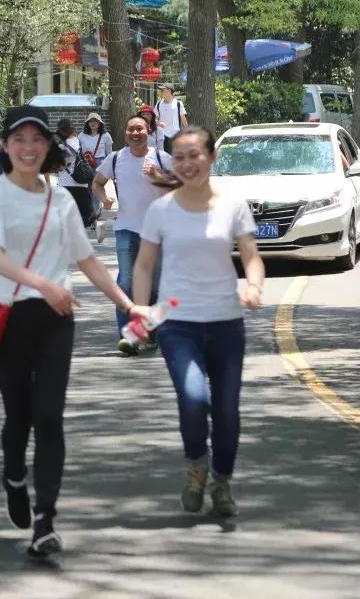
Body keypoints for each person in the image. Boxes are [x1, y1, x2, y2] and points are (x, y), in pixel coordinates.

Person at [0, 105, 147, 558]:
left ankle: (45, 521)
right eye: (19, 140)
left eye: (37, 140)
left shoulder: (61, 199)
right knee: (19, 414)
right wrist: (45, 283)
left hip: (54, 320)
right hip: (6, 315)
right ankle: (14, 477)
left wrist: (128, 306)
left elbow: (87, 259)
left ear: (48, 146)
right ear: (7, 147)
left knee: (49, 418)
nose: (28, 148)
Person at [132, 126, 264, 518]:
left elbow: (252, 256)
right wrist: (141, 313)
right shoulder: (161, 210)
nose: (187, 163)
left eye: (195, 155)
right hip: (178, 323)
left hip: (225, 321)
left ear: (211, 157)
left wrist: (253, 286)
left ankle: (221, 480)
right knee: (193, 400)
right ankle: (196, 466)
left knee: (226, 411)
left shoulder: (232, 205)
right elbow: (143, 265)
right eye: (180, 157)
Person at [91, 114, 174, 356]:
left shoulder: (161, 157)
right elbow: (97, 182)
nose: (135, 133)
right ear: (125, 133)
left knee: (155, 287)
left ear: (149, 131)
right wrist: (104, 198)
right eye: (130, 129)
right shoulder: (116, 159)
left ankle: (150, 335)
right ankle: (129, 336)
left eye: (139, 129)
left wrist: (158, 177)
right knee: (126, 283)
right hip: (126, 229)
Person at [56, 118, 94, 228]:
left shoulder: (59, 146)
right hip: (81, 182)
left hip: (65, 183)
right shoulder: (78, 141)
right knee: (84, 216)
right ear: (72, 129)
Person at [154, 83, 188, 152]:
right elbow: (154, 119)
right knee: (163, 158)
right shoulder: (158, 103)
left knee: (173, 158)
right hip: (162, 136)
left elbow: (183, 120)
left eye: (162, 90)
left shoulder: (178, 103)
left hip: (175, 136)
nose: (161, 92)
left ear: (169, 91)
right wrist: (158, 123)